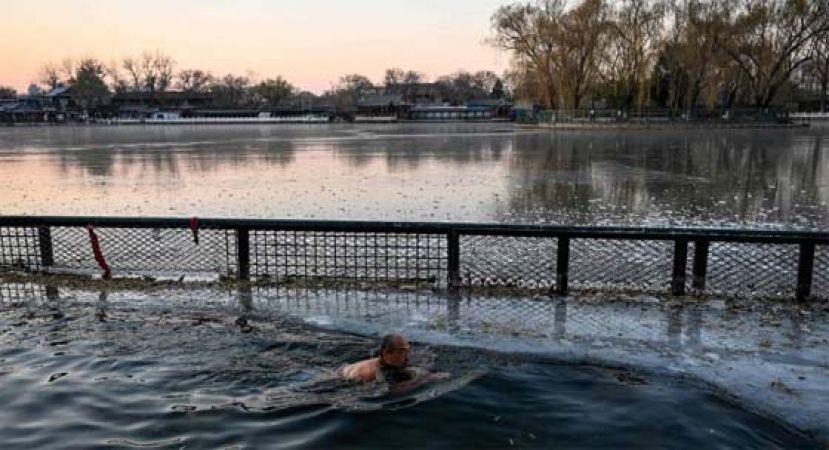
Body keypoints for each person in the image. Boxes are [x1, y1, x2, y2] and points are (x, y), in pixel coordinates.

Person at [340, 333, 449, 391]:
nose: (407, 357)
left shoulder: (387, 361)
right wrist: (427, 379)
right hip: (339, 378)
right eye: (401, 352)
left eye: (407, 351)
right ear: (387, 353)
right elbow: (390, 391)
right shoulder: (369, 373)